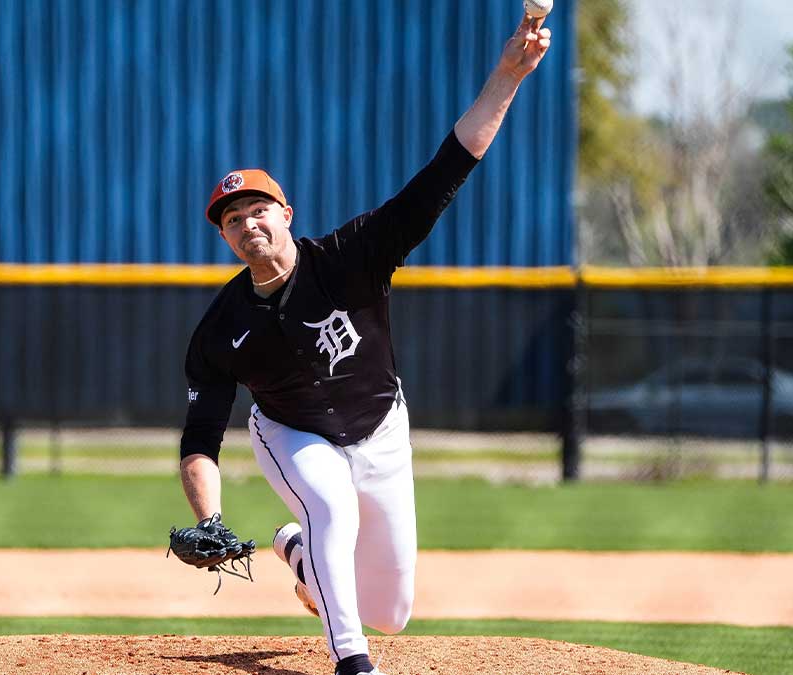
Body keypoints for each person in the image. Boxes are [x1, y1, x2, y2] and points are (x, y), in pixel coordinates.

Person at [177, 14, 552, 675]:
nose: (247, 222)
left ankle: (299, 555)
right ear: (227, 239)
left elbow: (446, 170)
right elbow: (200, 437)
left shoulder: (354, 254)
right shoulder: (221, 327)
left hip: (381, 427)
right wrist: (208, 514)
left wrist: (508, 76)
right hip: (292, 432)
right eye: (233, 220)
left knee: (393, 608)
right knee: (330, 504)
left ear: (286, 214)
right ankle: (353, 661)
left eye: (258, 209)